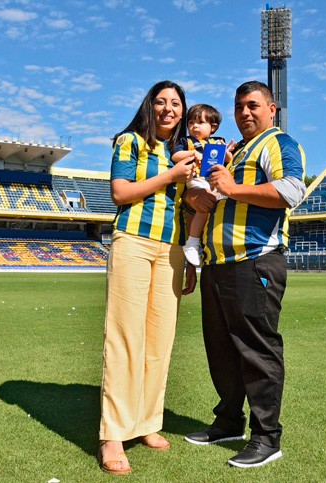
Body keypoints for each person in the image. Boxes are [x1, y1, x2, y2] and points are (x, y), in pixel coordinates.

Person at [183, 81, 306, 468]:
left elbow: (291, 190)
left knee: (257, 350)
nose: (244, 113)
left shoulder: (279, 143)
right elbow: (210, 194)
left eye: (253, 105)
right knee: (221, 349)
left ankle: (267, 437)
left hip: (255, 261)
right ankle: (228, 421)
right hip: (218, 264)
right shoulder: (233, 151)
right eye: (239, 107)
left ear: (272, 109)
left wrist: (234, 188)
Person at [98, 80, 198, 475]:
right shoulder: (130, 142)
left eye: (175, 103)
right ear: (149, 106)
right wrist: (171, 174)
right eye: (161, 102)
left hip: (171, 249)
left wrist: (190, 259)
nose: (168, 109)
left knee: (160, 341)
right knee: (125, 339)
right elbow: (120, 193)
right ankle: (113, 434)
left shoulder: (184, 152)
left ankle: (147, 423)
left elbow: (189, 208)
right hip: (134, 242)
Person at [170, 103, 229, 266]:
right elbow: (175, 155)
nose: (194, 126)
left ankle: (207, 243)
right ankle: (192, 242)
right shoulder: (187, 141)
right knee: (204, 208)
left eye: (200, 122)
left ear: (213, 127)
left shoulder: (218, 142)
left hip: (215, 182)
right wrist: (192, 153)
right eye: (191, 123)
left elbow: (228, 160)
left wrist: (228, 153)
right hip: (197, 181)